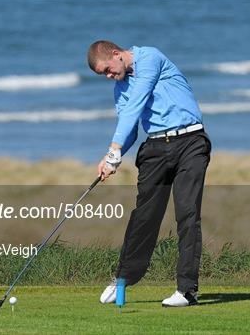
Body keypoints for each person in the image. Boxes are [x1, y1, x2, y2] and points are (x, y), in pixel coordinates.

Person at [87, 40, 211, 307]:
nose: (108, 76)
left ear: (117, 55)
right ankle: (122, 278)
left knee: (187, 213)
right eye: (103, 75)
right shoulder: (120, 88)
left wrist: (113, 150)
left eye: (108, 69)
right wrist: (114, 159)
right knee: (145, 216)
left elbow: (136, 104)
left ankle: (187, 291)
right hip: (155, 147)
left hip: (190, 140)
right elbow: (129, 126)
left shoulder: (150, 59)